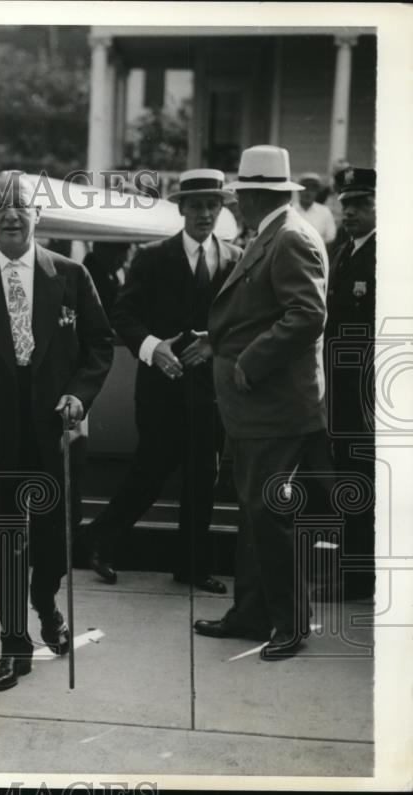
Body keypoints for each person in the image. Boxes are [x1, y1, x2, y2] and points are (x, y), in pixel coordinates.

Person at [0, 171, 114, 691]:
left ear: (38, 215)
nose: (12, 215)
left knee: (53, 542)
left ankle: (46, 602)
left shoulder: (70, 274)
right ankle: (13, 644)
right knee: (3, 540)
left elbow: (99, 345)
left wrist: (78, 396)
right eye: (1, 208)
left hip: (55, 431)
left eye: (21, 206)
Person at [195, 145, 331, 661]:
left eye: (237, 195)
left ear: (252, 196)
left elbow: (307, 315)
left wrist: (248, 359)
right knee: (255, 514)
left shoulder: (290, 237)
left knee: (268, 514)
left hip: (275, 408)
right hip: (260, 408)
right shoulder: (277, 232)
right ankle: (253, 614)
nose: (233, 204)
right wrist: (218, 340)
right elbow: (264, 310)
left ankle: (290, 624)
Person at [86, 169, 243, 593]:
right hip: (160, 387)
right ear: (181, 209)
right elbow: (122, 314)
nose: (205, 214)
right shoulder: (153, 256)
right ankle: (100, 540)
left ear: (222, 208)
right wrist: (154, 347)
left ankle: (191, 567)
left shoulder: (235, 257)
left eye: (213, 205)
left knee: (202, 477)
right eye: (196, 206)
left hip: (211, 388)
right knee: (151, 470)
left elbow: (244, 319)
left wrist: (216, 341)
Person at [317, 167, 376, 602]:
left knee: (365, 486)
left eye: (362, 204)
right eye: (347, 204)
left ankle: (359, 580)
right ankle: (352, 573)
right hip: (342, 397)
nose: (350, 212)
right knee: (351, 483)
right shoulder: (342, 253)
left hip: (370, 398)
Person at [293, 172, 337, 246]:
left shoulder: (325, 211)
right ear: (299, 191)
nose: (308, 193)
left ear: (317, 192)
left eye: (312, 190)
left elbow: (331, 237)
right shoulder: (290, 210)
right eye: (305, 189)